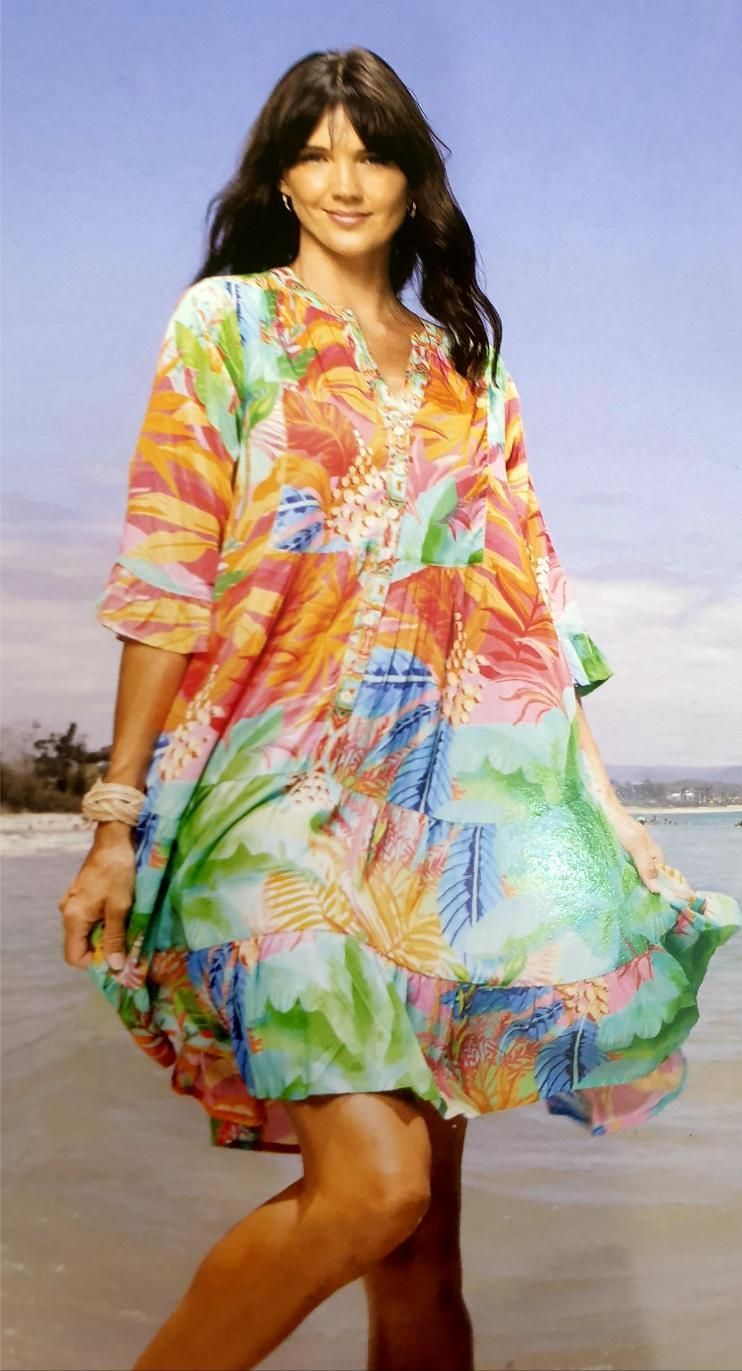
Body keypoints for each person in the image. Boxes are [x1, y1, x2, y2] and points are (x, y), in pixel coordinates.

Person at [58, 47, 741, 1371]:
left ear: (413, 181)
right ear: (277, 178)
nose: (341, 181)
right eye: (311, 154)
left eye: (367, 152)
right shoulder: (228, 325)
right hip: (264, 803)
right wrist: (114, 813)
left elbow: (528, 620)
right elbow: (163, 564)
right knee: (373, 1189)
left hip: (441, 833)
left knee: (421, 1258)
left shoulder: (464, 371)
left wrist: (615, 826)